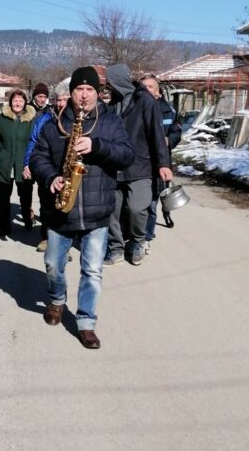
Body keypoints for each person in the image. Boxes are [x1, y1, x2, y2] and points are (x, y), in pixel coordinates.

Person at [30, 66, 134, 349]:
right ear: (71, 93)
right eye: (79, 90)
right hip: (60, 210)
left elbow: (126, 155)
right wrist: (51, 177)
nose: (84, 95)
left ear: (97, 93)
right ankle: (57, 299)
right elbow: (38, 158)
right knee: (53, 264)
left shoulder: (110, 122)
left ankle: (86, 322)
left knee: (92, 271)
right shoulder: (54, 123)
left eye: (89, 90)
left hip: (97, 212)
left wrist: (98, 145)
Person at [104, 63, 173, 266]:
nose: (109, 87)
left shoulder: (145, 101)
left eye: (110, 83)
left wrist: (163, 163)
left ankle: (137, 241)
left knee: (136, 208)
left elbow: (157, 134)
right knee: (111, 209)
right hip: (114, 166)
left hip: (141, 165)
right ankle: (115, 248)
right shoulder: (112, 105)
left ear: (119, 81)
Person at [24, 83, 69, 252]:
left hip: (66, 170)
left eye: (65, 99)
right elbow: (33, 142)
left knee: (64, 208)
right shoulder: (44, 119)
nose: (61, 103)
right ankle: (45, 237)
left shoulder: (75, 119)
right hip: (46, 169)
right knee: (46, 206)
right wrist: (27, 163)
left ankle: (62, 246)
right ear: (54, 101)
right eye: (59, 99)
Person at [140, 73, 182, 250]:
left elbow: (176, 133)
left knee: (153, 201)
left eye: (149, 87)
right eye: (143, 87)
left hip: (160, 163)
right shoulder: (135, 108)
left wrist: (167, 140)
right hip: (140, 163)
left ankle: (147, 236)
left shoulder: (168, 111)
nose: (146, 90)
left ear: (158, 92)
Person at [0, 88, 35, 240]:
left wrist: (33, 162)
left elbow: (35, 143)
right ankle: (3, 227)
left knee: (26, 198)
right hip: (4, 164)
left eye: (21, 100)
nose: (18, 103)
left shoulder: (31, 120)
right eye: (15, 100)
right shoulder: (2, 119)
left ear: (25, 103)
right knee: (3, 199)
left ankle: (28, 219)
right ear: (10, 102)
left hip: (24, 165)